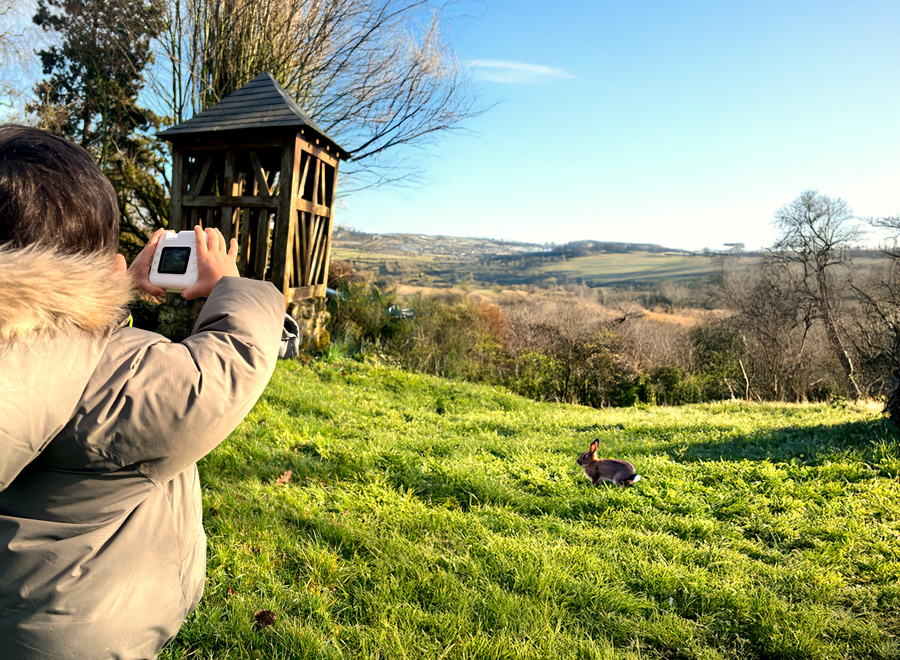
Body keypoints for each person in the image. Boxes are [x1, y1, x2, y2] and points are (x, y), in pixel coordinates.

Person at [0, 125, 284, 659]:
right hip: (80, 635)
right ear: (99, 264)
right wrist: (232, 285)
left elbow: (42, 338)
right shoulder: (125, 375)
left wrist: (111, 289)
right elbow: (233, 360)